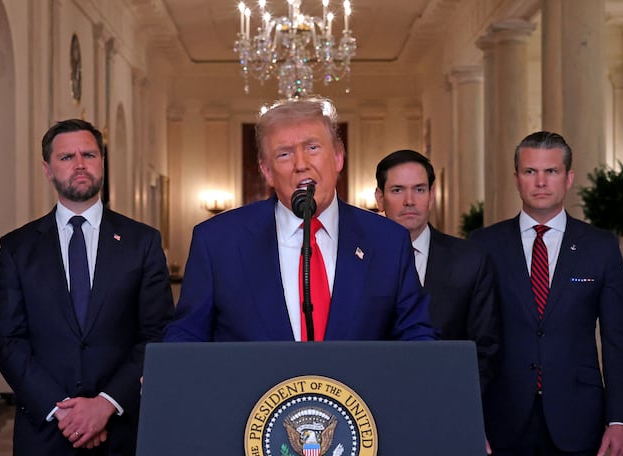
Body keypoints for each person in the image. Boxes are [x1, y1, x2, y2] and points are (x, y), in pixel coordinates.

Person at [0, 119, 175, 456]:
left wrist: (105, 404)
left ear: (102, 163)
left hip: (122, 435)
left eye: (88, 155)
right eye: (66, 156)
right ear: (48, 168)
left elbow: (157, 334)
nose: (79, 164)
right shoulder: (18, 248)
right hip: (47, 434)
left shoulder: (142, 242)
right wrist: (65, 412)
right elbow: (6, 339)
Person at [469, 131, 623, 456]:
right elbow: (469, 338)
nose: (540, 181)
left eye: (550, 171)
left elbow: (618, 340)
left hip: (578, 416)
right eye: (530, 171)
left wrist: (621, 420)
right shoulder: (483, 245)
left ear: (568, 177)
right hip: (501, 416)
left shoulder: (599, 246)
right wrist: (467, 416)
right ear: (516, 178)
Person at [163, 97, 434, 342]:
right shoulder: (218, 241)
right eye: (284, 154)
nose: (301, 164)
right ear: (267, 171)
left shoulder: (387, 240)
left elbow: (415, 334)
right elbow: (187, 334)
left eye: (312, 147)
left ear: (338, 157)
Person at [375, 149, 500, 394]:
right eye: (398, 190)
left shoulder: (470, 260)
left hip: (450, 402)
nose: (409, 200)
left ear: (432, 195)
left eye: (419, 189)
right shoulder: (355, 261)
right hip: (371, 407)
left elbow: (486, 349)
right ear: (380, 198)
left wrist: (462, 412)